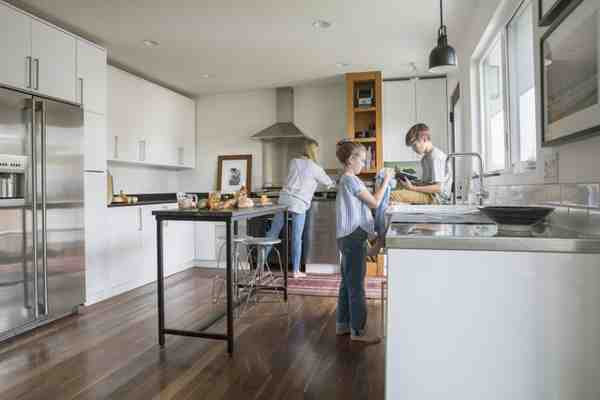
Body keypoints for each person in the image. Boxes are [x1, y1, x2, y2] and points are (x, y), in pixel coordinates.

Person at [335, 139, 393, 344]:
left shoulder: (348, 180)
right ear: (351, 160)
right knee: (356, 285)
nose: (365, 164)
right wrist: (386, 181)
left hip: (348, 235)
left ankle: (343, 325)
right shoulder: (350, 180)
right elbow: (375, 202)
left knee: (347, 282)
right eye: (363, 159)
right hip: (353, 236)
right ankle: (358, 331)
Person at [266, 139, 334, 278]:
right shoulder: (316, 167)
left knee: (273, 233)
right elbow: (328, 183)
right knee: (296, 237)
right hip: (299, 203)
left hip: (284, 200)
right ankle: (296, 271)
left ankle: (260, 267)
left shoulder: (293, 161)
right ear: (313, 150)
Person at [392, 123, 451, 204]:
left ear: (424, 139)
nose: (413, 149)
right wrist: (411, 183)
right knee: (397, 185)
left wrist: (412, 188)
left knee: (394, 195)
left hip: (436, 197)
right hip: (429, 193)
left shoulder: (436, 157)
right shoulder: (425, 159)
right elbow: (426, 183)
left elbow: (438, 188)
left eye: (414, 145)